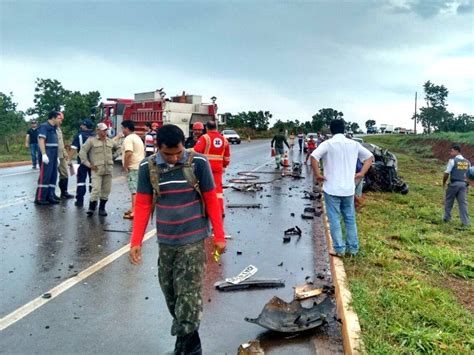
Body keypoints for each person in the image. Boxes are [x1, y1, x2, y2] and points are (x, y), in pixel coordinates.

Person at [128, 124, 226, 355]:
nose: (173, 158)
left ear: (184, 144)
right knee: (171, 293)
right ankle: (192, 339)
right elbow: (142, 204)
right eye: (168, 154)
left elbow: (212, 199)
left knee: (188, 295)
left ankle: (186, 348)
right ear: (157, 148)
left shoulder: (198, 163)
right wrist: (136, 242)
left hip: (193, 239)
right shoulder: (147, 167)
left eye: (177, 152)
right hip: (166, 240)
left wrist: (219, 236)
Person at [311, 119, 374, 257]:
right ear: (344, 129)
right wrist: (361, 173)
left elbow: (313, 157)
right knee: (350, 218)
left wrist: (318, 175)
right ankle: (353, 249)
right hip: (348, 189)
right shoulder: (354, 144)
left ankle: (339, 249)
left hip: (332, 188)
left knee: (334, 219)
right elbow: (369, 157)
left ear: (331, 130)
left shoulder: (328, 144)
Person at [79, 123, 120, 216]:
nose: (105, 132)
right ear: (98, 130)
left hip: (108, 169)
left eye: (106, 130)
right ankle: (91, 208)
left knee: (106, 190)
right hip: (96, 170)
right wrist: (89, 165)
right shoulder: (91, 141)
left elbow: (119, 148)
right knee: (96, 189)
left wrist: (113, 156)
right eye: (104, 130)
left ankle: (102, 208)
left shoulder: (110, 141)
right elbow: (82, 153)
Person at [194, 120, 230, 217]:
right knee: (218, 191)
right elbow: (227, 158)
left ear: (206, 128)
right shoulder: (224, 140)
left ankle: (206, 211)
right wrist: (224, 165)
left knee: (204, 189)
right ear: (216, 127)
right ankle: (220, 211)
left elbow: (196, 151)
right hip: (218, 168)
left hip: (205, 168)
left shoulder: (205, 138)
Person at [35, 111, 61, 205]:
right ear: (53, 118)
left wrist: (57, 157)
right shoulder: (44, 126)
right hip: (47, 152)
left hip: (54, 153)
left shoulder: (54, 128)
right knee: (45, 177)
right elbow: (41, 140)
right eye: (58, 118)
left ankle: (50, 196)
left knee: (53, 176)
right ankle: (40, 198)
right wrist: (44, 154)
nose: (59, 120)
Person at [121, 120, 145, 219]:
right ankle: (134, 208)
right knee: (137, 189)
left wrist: (125, 165)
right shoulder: (136, 137)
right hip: (140, 166)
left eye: (122, 128)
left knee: (134, 190)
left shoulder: (129, 139)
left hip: (134, 167)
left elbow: (129, 152)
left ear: (126, 128)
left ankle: (134, 211)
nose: (122, 130)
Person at [442, 144, 470, 227]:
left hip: (454, 184)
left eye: (452, 151)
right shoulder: (467, 162)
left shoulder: (452, 161)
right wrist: (467, 186)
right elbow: (469, 176)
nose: (450, 153)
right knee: (463, 204)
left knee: (449, 201)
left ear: (457, 151)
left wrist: (444, 183)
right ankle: (466, 223)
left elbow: (446, 173)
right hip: (463, 185)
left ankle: (446, 218)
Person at [69, 119, 95, 207]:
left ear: (85, 126)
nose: (80, 126)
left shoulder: (79, 136)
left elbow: (73, 148)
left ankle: (79, 201)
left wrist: (68, 159)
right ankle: (93, 201)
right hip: (93, 162)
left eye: (82, 125)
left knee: (80, 181)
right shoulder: (96, 135)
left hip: (81, 161)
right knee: (94, 181)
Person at [56, 112, 74, 199]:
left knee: (64, 174)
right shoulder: (52, 129)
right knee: (58, 175)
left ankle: (64, 193)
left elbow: (61, 144)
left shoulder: (58, 129)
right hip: (55, 156)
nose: (61, 122)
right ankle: (60, 193)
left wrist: (65, 154)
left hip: (61, 155)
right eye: (60, 120)